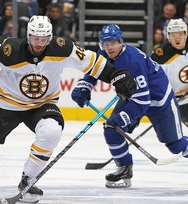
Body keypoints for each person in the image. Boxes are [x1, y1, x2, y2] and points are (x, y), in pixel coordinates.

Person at [0, 15, 136, 203]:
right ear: (28, 36)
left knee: (51, 131)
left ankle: (27, 179)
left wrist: (116, 75)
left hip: (43, 105)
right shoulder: (7, 50)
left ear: (50, 37)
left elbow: (94, 62)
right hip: (8, 105)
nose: (39, 44)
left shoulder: (63, 48)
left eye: (44, 39)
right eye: (35, 39)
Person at [72, 24, 188, 188]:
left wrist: (124, 117)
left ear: (121, 42)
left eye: (113, 43)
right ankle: (124, 168)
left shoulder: (133, 60)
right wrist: (85, 85)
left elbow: (144, 99)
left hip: (158, 101)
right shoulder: (103, 54)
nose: (109, 47)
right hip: (132, 96)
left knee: (176, 146)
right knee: (112, 129)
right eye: (105, 43)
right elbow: (95, 69)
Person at [151, 18, 188, 127]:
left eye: (180, 34)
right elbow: (153, 79)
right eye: (173, 34)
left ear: (186, 34)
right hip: (173, 100)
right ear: (168, 36)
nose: (177, 37)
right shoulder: (160, 55)